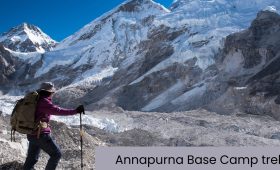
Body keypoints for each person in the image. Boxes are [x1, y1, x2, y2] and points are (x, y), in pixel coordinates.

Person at [23, 82, 84, 170]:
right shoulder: (44, 102)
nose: (53, 94)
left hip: (31, 133)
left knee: (31, 158)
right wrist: (76, 111)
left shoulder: (35, 100)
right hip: (41, 134)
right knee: (56, 154)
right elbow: (58, 111)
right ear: (49, 92)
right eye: (52, 92)